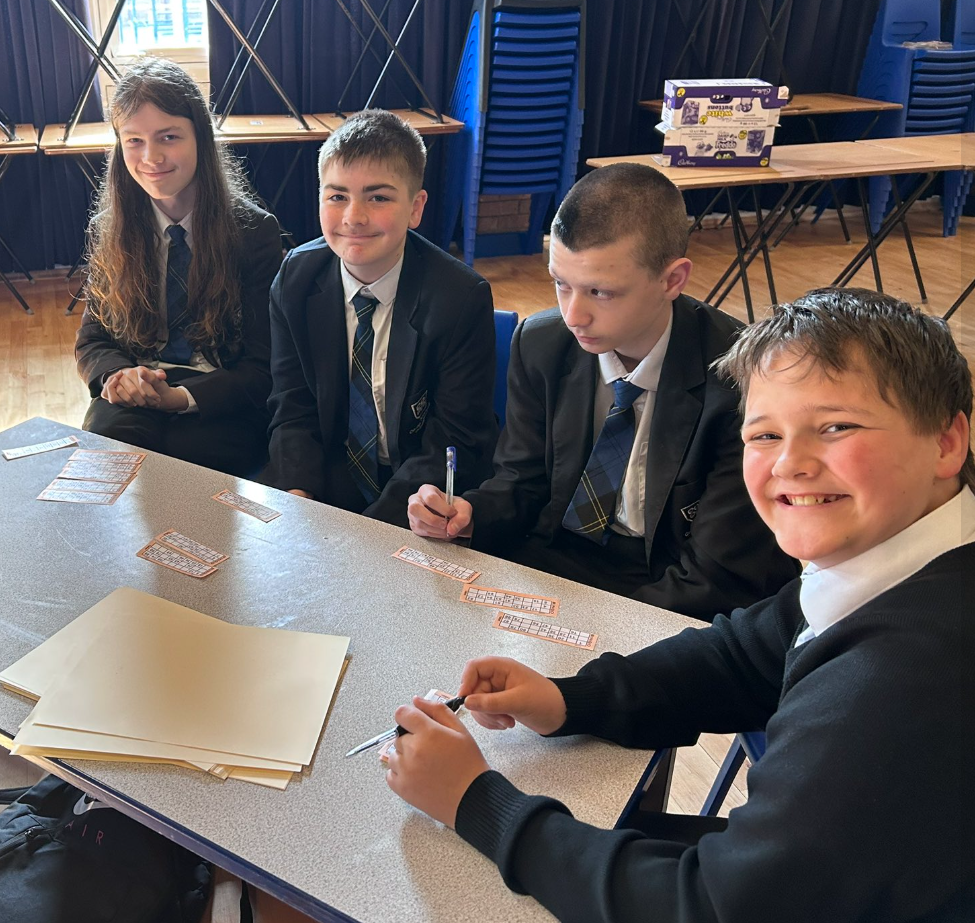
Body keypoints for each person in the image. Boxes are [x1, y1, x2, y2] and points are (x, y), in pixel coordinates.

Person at [387, 288, 973, 922]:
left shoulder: (908, 678)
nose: (790, 464)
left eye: (837, 427)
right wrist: (570, 698)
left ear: (947, 442)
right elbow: (746, 653)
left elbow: (711, 906)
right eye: (764, 434)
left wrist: (475, 802)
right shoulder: (896, 562)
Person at [409, 163, 797, 618]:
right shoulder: (542, 343)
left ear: (673, 280)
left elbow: (716, 576)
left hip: (667, 582)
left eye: (601, 292)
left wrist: (588, 627)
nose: (574, 315)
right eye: (561, 284)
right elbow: (522, 481)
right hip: (553, 561)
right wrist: (469, 515)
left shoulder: (744, 378)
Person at [262, 109, 497, 525]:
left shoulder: (459, 298)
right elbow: (293, 406)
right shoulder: (295, 280)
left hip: (415, 491)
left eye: (379, 198)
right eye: (337, 196)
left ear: (415, 208)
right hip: (329, 476)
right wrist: (298, 496)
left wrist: (373, 529)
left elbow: (453, 438)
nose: (354, 217)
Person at [75, 58, 282, 477]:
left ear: (200, 138)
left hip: (218, 395)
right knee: (107, 458)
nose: (151, 157)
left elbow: (262, 367)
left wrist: (179, 398)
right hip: (137, 388)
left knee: (189, 465)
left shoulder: (253, 231)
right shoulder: (107, 229)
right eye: (134, 140)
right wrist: (118, 375)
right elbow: (93, 340)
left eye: (168, 137)